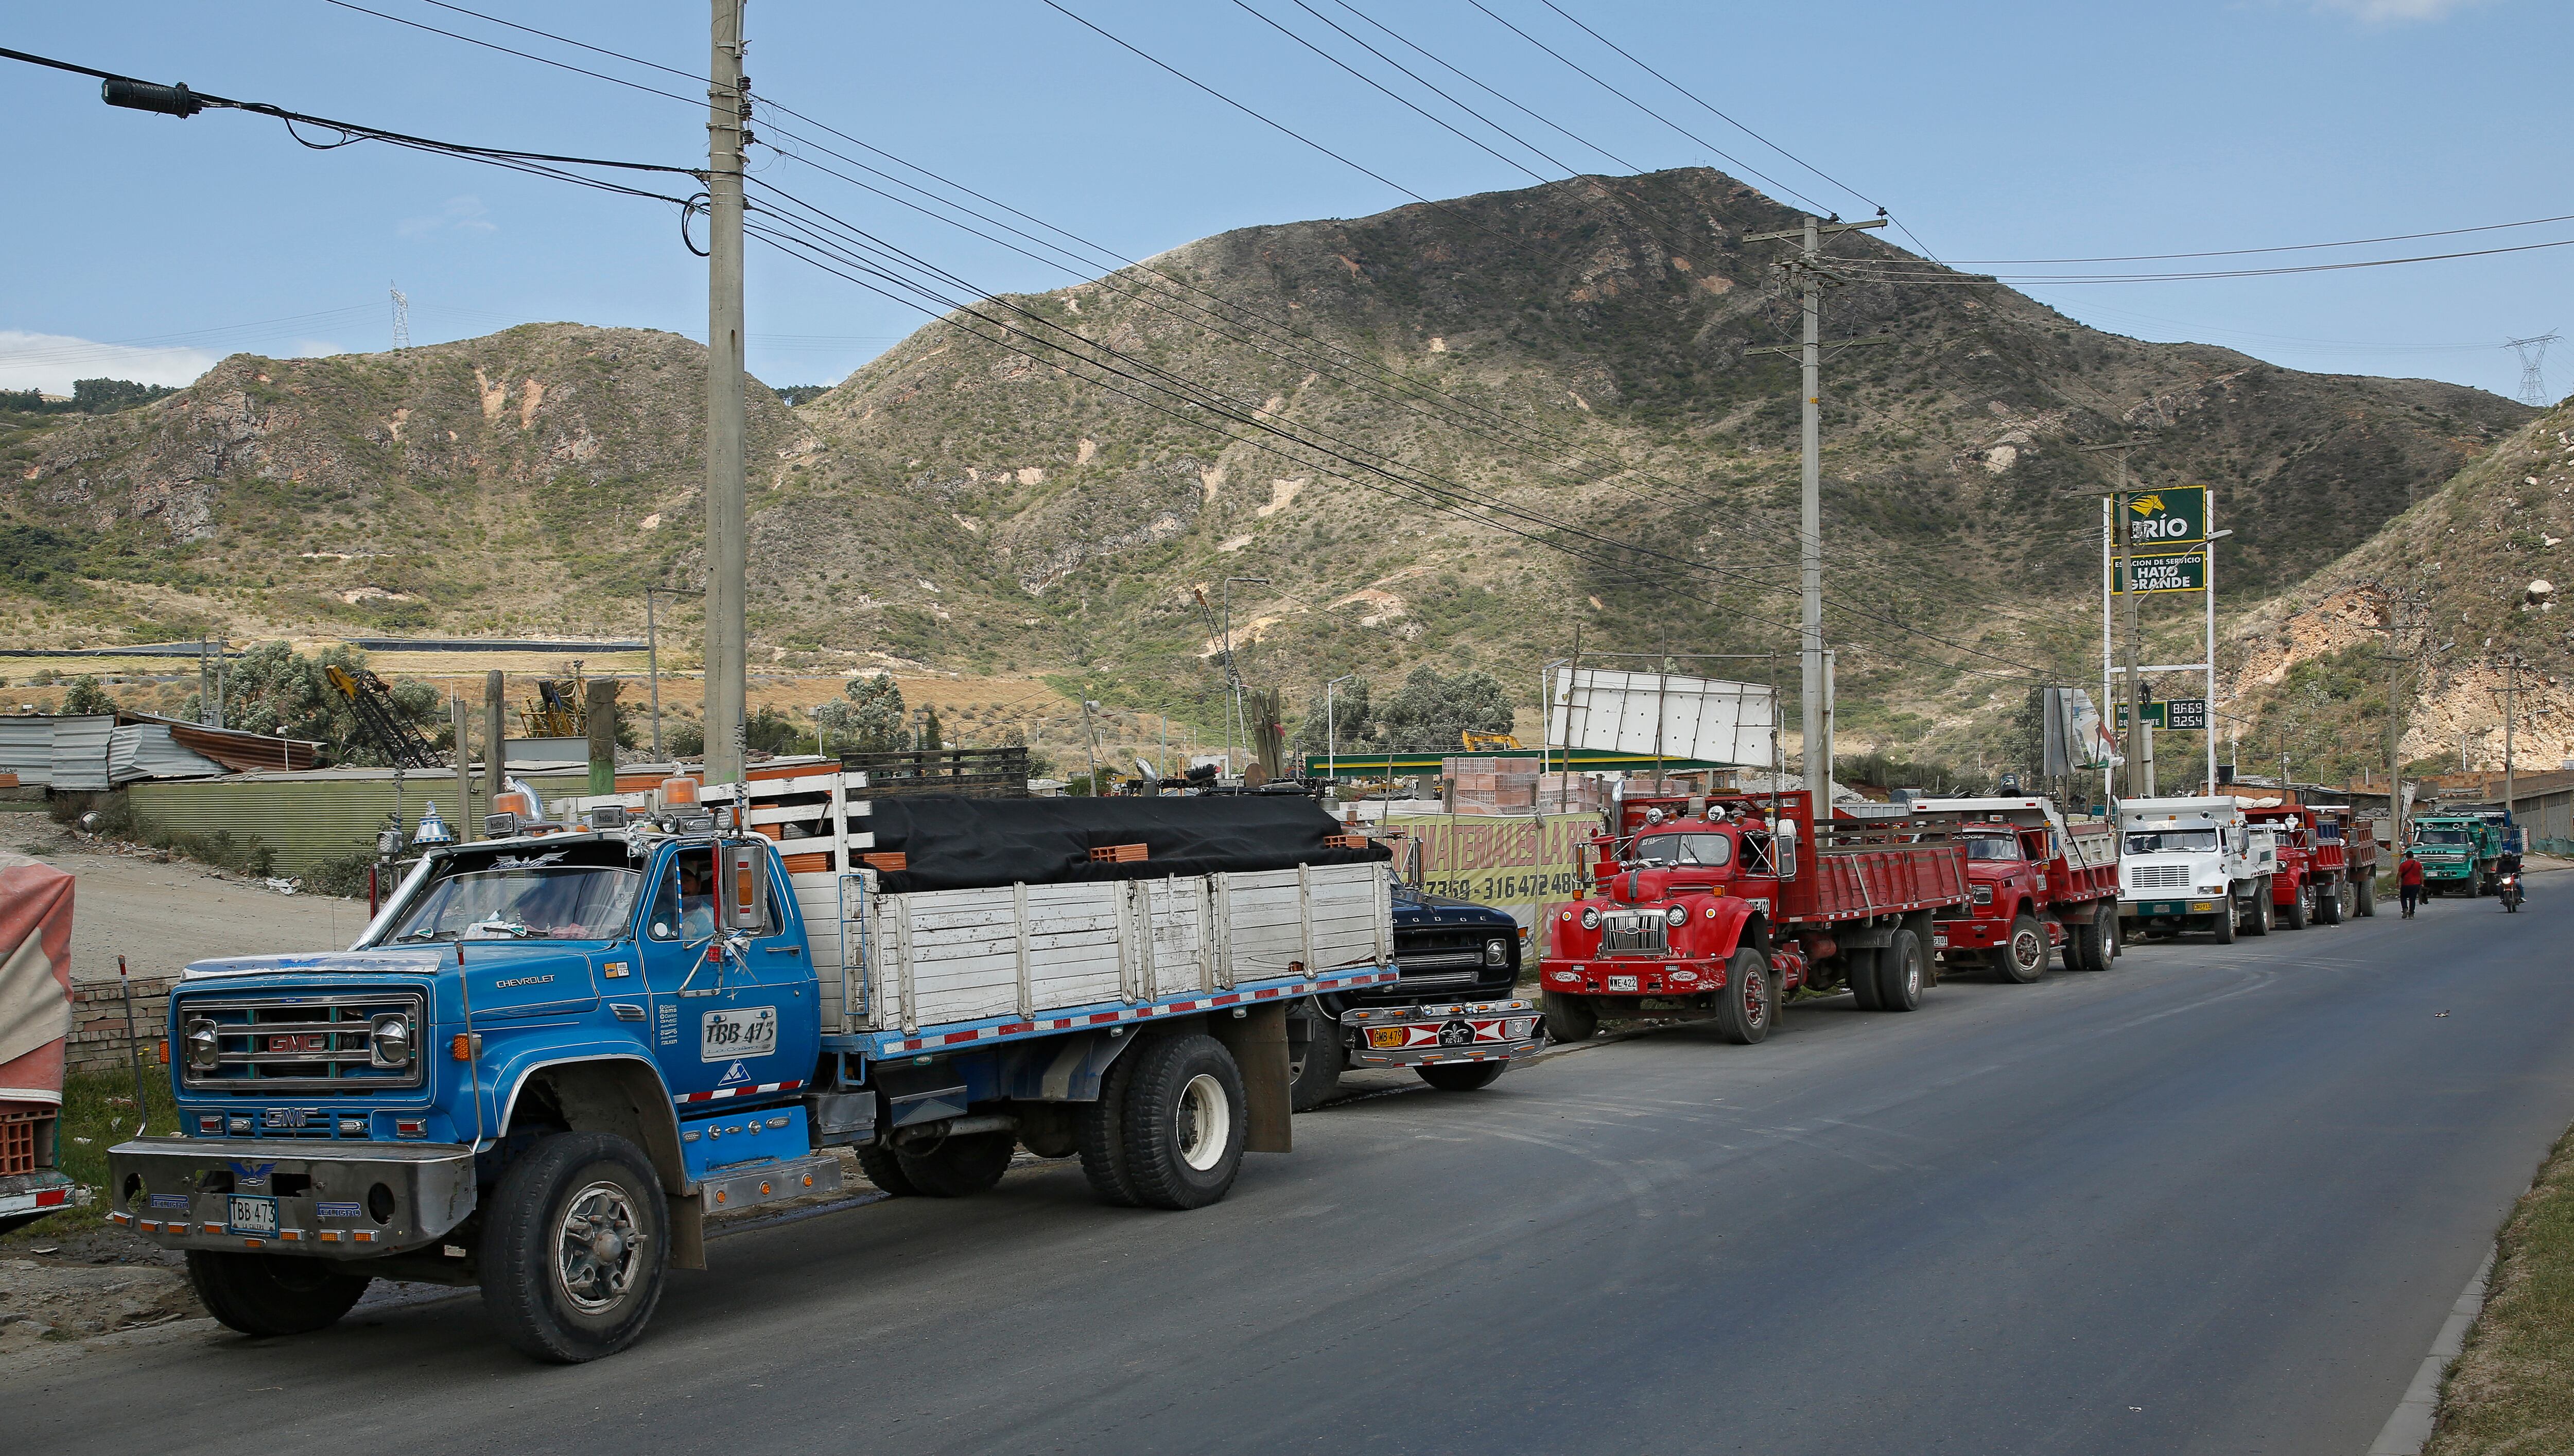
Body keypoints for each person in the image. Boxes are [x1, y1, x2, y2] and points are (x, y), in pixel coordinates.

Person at [2398, 851, 2425, 919]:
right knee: (2412, 899)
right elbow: (2421, 875)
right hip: (2416, 885)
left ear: (2406, 856)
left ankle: (2405, 909)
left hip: (2405, 884)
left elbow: (2399, 875)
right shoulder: (2418, 864)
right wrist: (2422, 884)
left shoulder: (2403, 865)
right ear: (2413, 856)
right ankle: (2411, 914)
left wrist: (2397, 883)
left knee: (2403, 897)